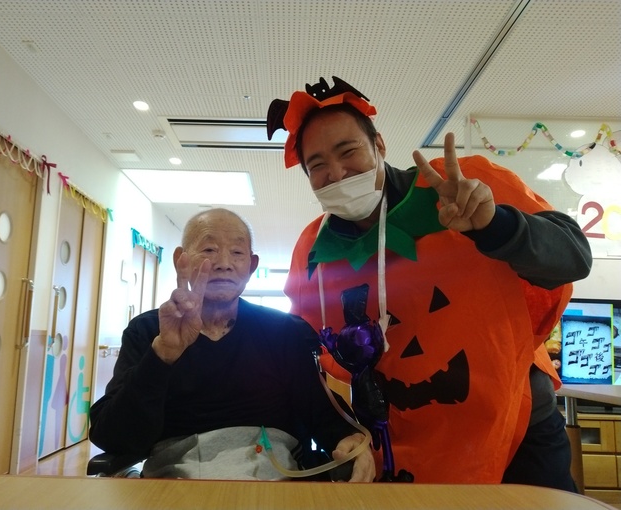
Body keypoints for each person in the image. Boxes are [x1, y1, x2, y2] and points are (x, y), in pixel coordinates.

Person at [266, 76, 592, 489]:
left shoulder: (464, 187)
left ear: (379, 145)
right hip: (400, 448)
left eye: (348, 151)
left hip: (516, 428)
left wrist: (494, 225)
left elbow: (573, 257)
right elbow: (307, 355)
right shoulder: (313, 254)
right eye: (317, 166)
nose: (337, 172)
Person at [89, 207, 375, 482]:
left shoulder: (283, 331)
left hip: (276, 480)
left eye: (237, 252)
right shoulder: (149, 331)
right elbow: (112, 435)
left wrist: (348, 439)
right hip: (175, 484)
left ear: (251, 266)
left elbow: (321, 412)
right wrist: (162, 354)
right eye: (209, 250)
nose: (224, 263)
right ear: (181, 259)